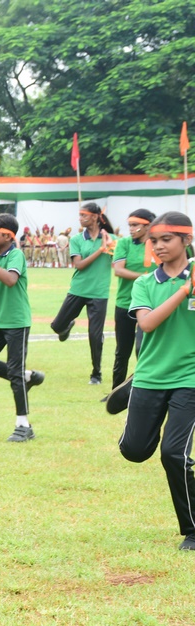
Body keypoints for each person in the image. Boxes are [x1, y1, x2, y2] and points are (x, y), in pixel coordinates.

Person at [117, 212, 195, 550]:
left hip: (189, 378)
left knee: (174, 454)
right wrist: (186, 289)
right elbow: (147, 325)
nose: (159, 246)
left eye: (167, 239)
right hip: (150, 375)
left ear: (186, 241)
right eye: (154, 240)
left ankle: (192, 530)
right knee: (134, 451)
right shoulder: (145, 283)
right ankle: (131, 386)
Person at [0, 213, 45, 442]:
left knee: (13, 372)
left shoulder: (16, 255)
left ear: (7, 235)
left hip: (17, 322)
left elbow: (10, 280)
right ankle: (27, 376)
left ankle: (24, 426)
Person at [50, 201, 116, 384]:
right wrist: (101, 250)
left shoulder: (110, 237)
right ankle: (67, 325)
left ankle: (96, 374)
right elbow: (79, 265)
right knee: (56, 326)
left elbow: (117, 258)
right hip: (78, 289)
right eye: (79, 215)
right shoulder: (77, 239)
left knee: (95, 335)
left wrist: (109, 245)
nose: (80, 219)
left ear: (95, 217)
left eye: (83, 215)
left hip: (99, 292)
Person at [110, 209, 155, 390]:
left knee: (143, 349)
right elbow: (119, 270)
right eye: (130, 225)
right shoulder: (124, 244)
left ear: (148, 226)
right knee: (122, 351)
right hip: (125, 303)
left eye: (135, 225)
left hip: (153, 306)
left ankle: (142, 389)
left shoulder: (158, 246)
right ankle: (116, 391)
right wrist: (146, 278)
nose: (131, 229)